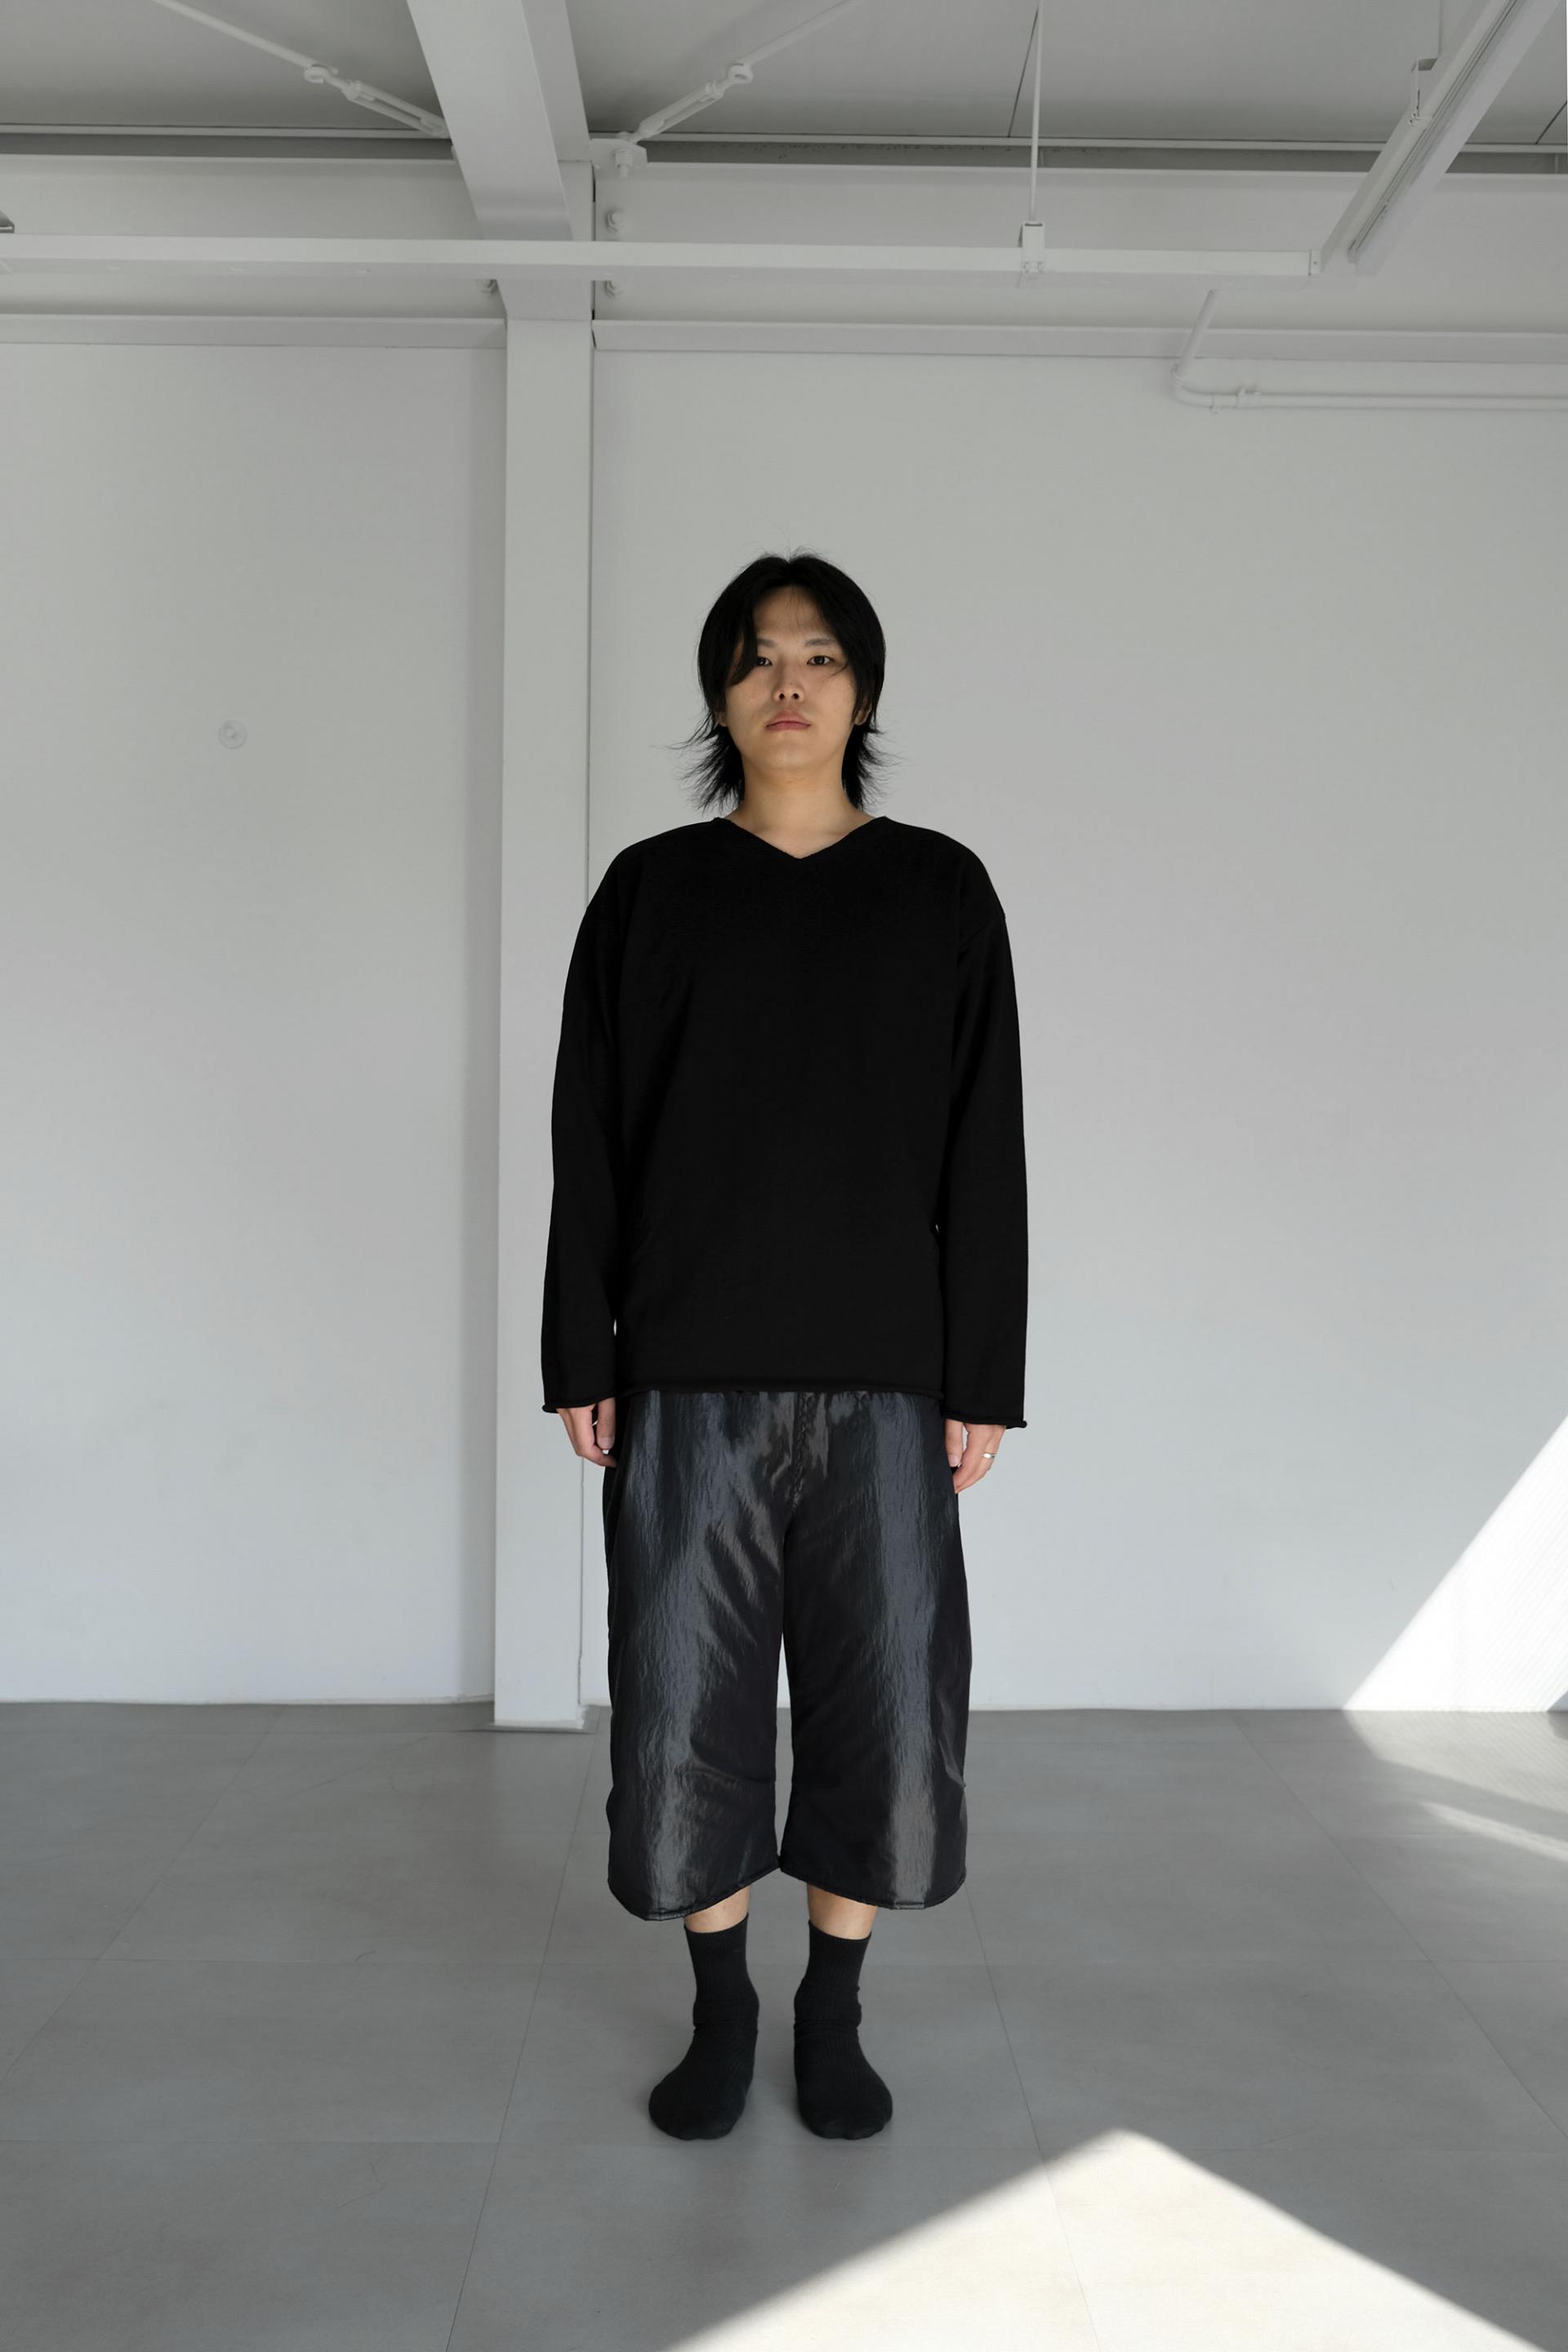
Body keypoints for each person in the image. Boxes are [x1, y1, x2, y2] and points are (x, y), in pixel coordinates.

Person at [541, 550, 1028, 2142]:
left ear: (863, 688)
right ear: (720, 693)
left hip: (889, 1376)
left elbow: (985, 1147)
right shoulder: (651, 893)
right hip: (688, 1370)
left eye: (818, 655)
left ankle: (833, 2007)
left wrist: (982, 1375)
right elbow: (591, 1136)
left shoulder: (940, 891)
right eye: (757, 658)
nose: (789, 683)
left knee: (886, 1707)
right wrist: (584, 1347)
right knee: (682, 1704)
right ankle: (721, 2007)